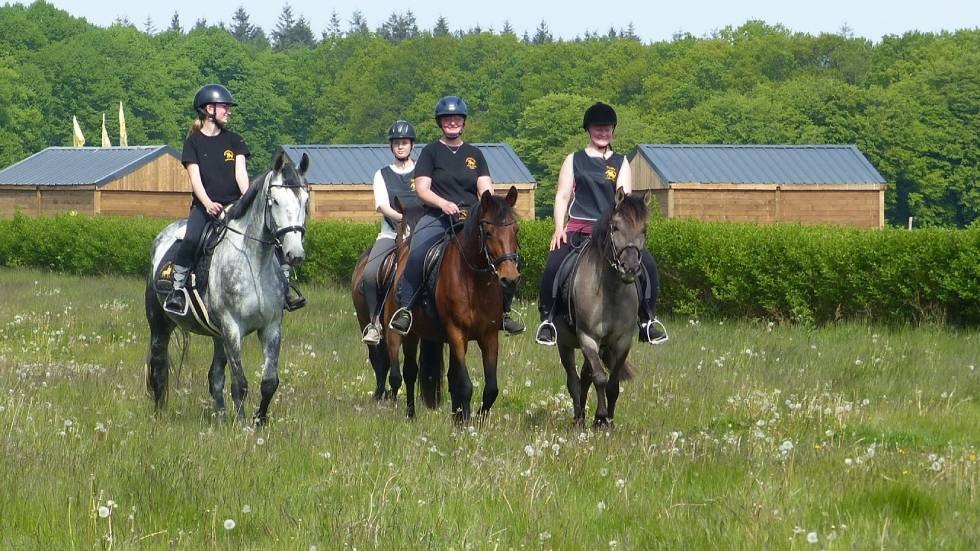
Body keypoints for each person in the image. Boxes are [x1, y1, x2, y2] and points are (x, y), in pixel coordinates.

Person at [388, 95, 524, 336]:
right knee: (417, 251)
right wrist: (443, 203)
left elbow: (485, 187)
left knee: (505, 254)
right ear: (440, 123)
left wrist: (491, 205)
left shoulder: (475, 154)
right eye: (447, 119)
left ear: (463, 123)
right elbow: (422, 189)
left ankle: (503, 311)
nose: (452, 123)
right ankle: (406, 309)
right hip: (437, 217)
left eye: (457, 119)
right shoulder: (431, 152)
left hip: (471, 220)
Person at [534, 101, 668, 346]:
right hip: (580, 229)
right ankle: (548, 320)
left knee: (647, 263)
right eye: (598, 128)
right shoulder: (574, 160)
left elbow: (625, 200)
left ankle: (648, 320)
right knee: (554, 264)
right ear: (588, 130)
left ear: (613, 131)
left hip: (611, 233)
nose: (602, 133)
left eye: (607, 129)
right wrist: (558, 227)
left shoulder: (620, 162)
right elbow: (562, 196)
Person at [165, 84, 305, 314]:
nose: (228, 111)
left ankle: (285, 288)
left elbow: (241, 174)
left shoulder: (235, 140)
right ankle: (177, 291)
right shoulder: (193, 142)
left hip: (234, 205)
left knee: (272, 235)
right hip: (205, 207)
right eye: (224, 107)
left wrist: (250, 200)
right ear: (209, 109)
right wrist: (208, 203)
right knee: (191, 238)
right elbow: (195, 179)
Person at [359, 120, 421, 345]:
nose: (400, 146)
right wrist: (404, 220)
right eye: (396, 143)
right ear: (391, 147)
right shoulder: (382, 174)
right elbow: (383, 206)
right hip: (391, 232)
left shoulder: (422, 171)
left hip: (422, 232)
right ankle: (375, 323)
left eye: (404, 142)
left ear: (412, 145)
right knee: (369, 273)